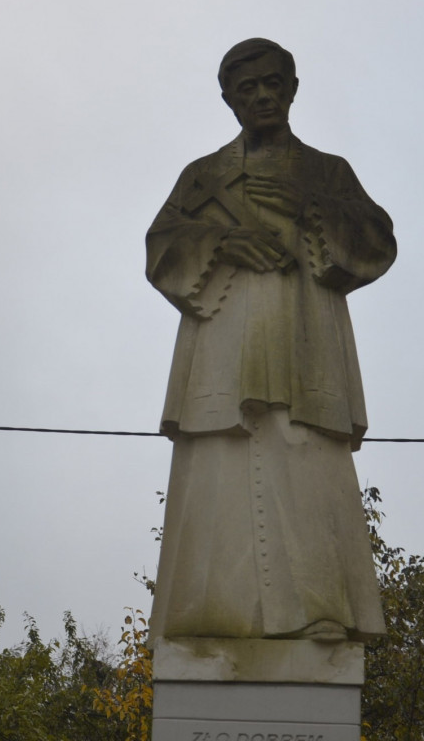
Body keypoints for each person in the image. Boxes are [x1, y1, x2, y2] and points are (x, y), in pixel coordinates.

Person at [146, 38, 396, 643]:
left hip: (302, 334)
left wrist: (312, 209)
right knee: (217, 456)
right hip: (224, 342)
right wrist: (221, 242)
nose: (262, 96)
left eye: (272, 84)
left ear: (291, 90)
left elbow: (377, 241)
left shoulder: (326, 172)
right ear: (229, 100)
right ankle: (204, 615)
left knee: (303, 450)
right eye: (247, 88)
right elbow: (160, 248)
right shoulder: (203, 177)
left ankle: (322, 609)